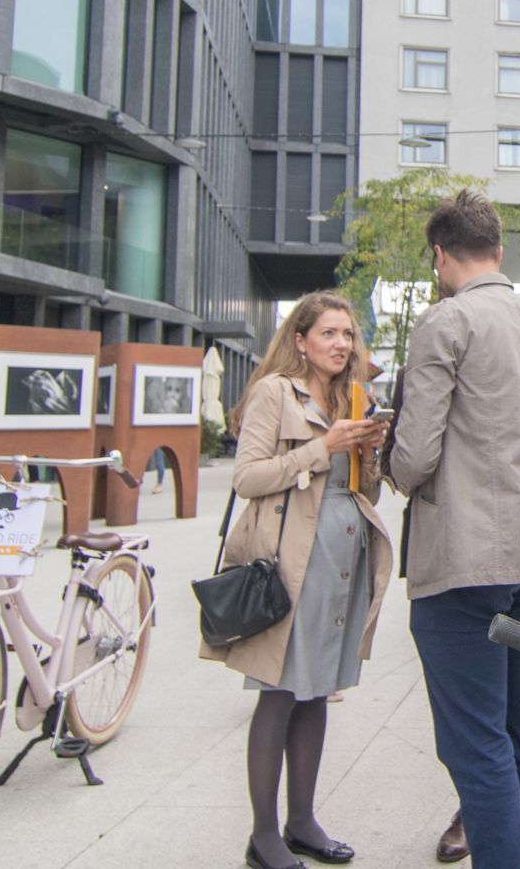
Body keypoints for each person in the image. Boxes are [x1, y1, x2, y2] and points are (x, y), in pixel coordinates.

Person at [390, 190, 520, 869]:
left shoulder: (445, 321)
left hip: (462, 558)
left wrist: (385, 458)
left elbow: (413, 459)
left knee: (478, 740)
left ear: (440, 254)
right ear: (499, 248)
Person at [203, 290, 393, 869]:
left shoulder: (352, 397)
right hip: (292, 560)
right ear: (301, 340)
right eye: (330, 334)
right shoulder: (272, 393)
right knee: (280, 690)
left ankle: (302, 821)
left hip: (342, 556)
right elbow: (247, 478)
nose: (342, 344)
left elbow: (366, 490)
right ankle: (264, 836)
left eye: (348, 335)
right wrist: (322, 447)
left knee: (318, 690)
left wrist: (371, 452)